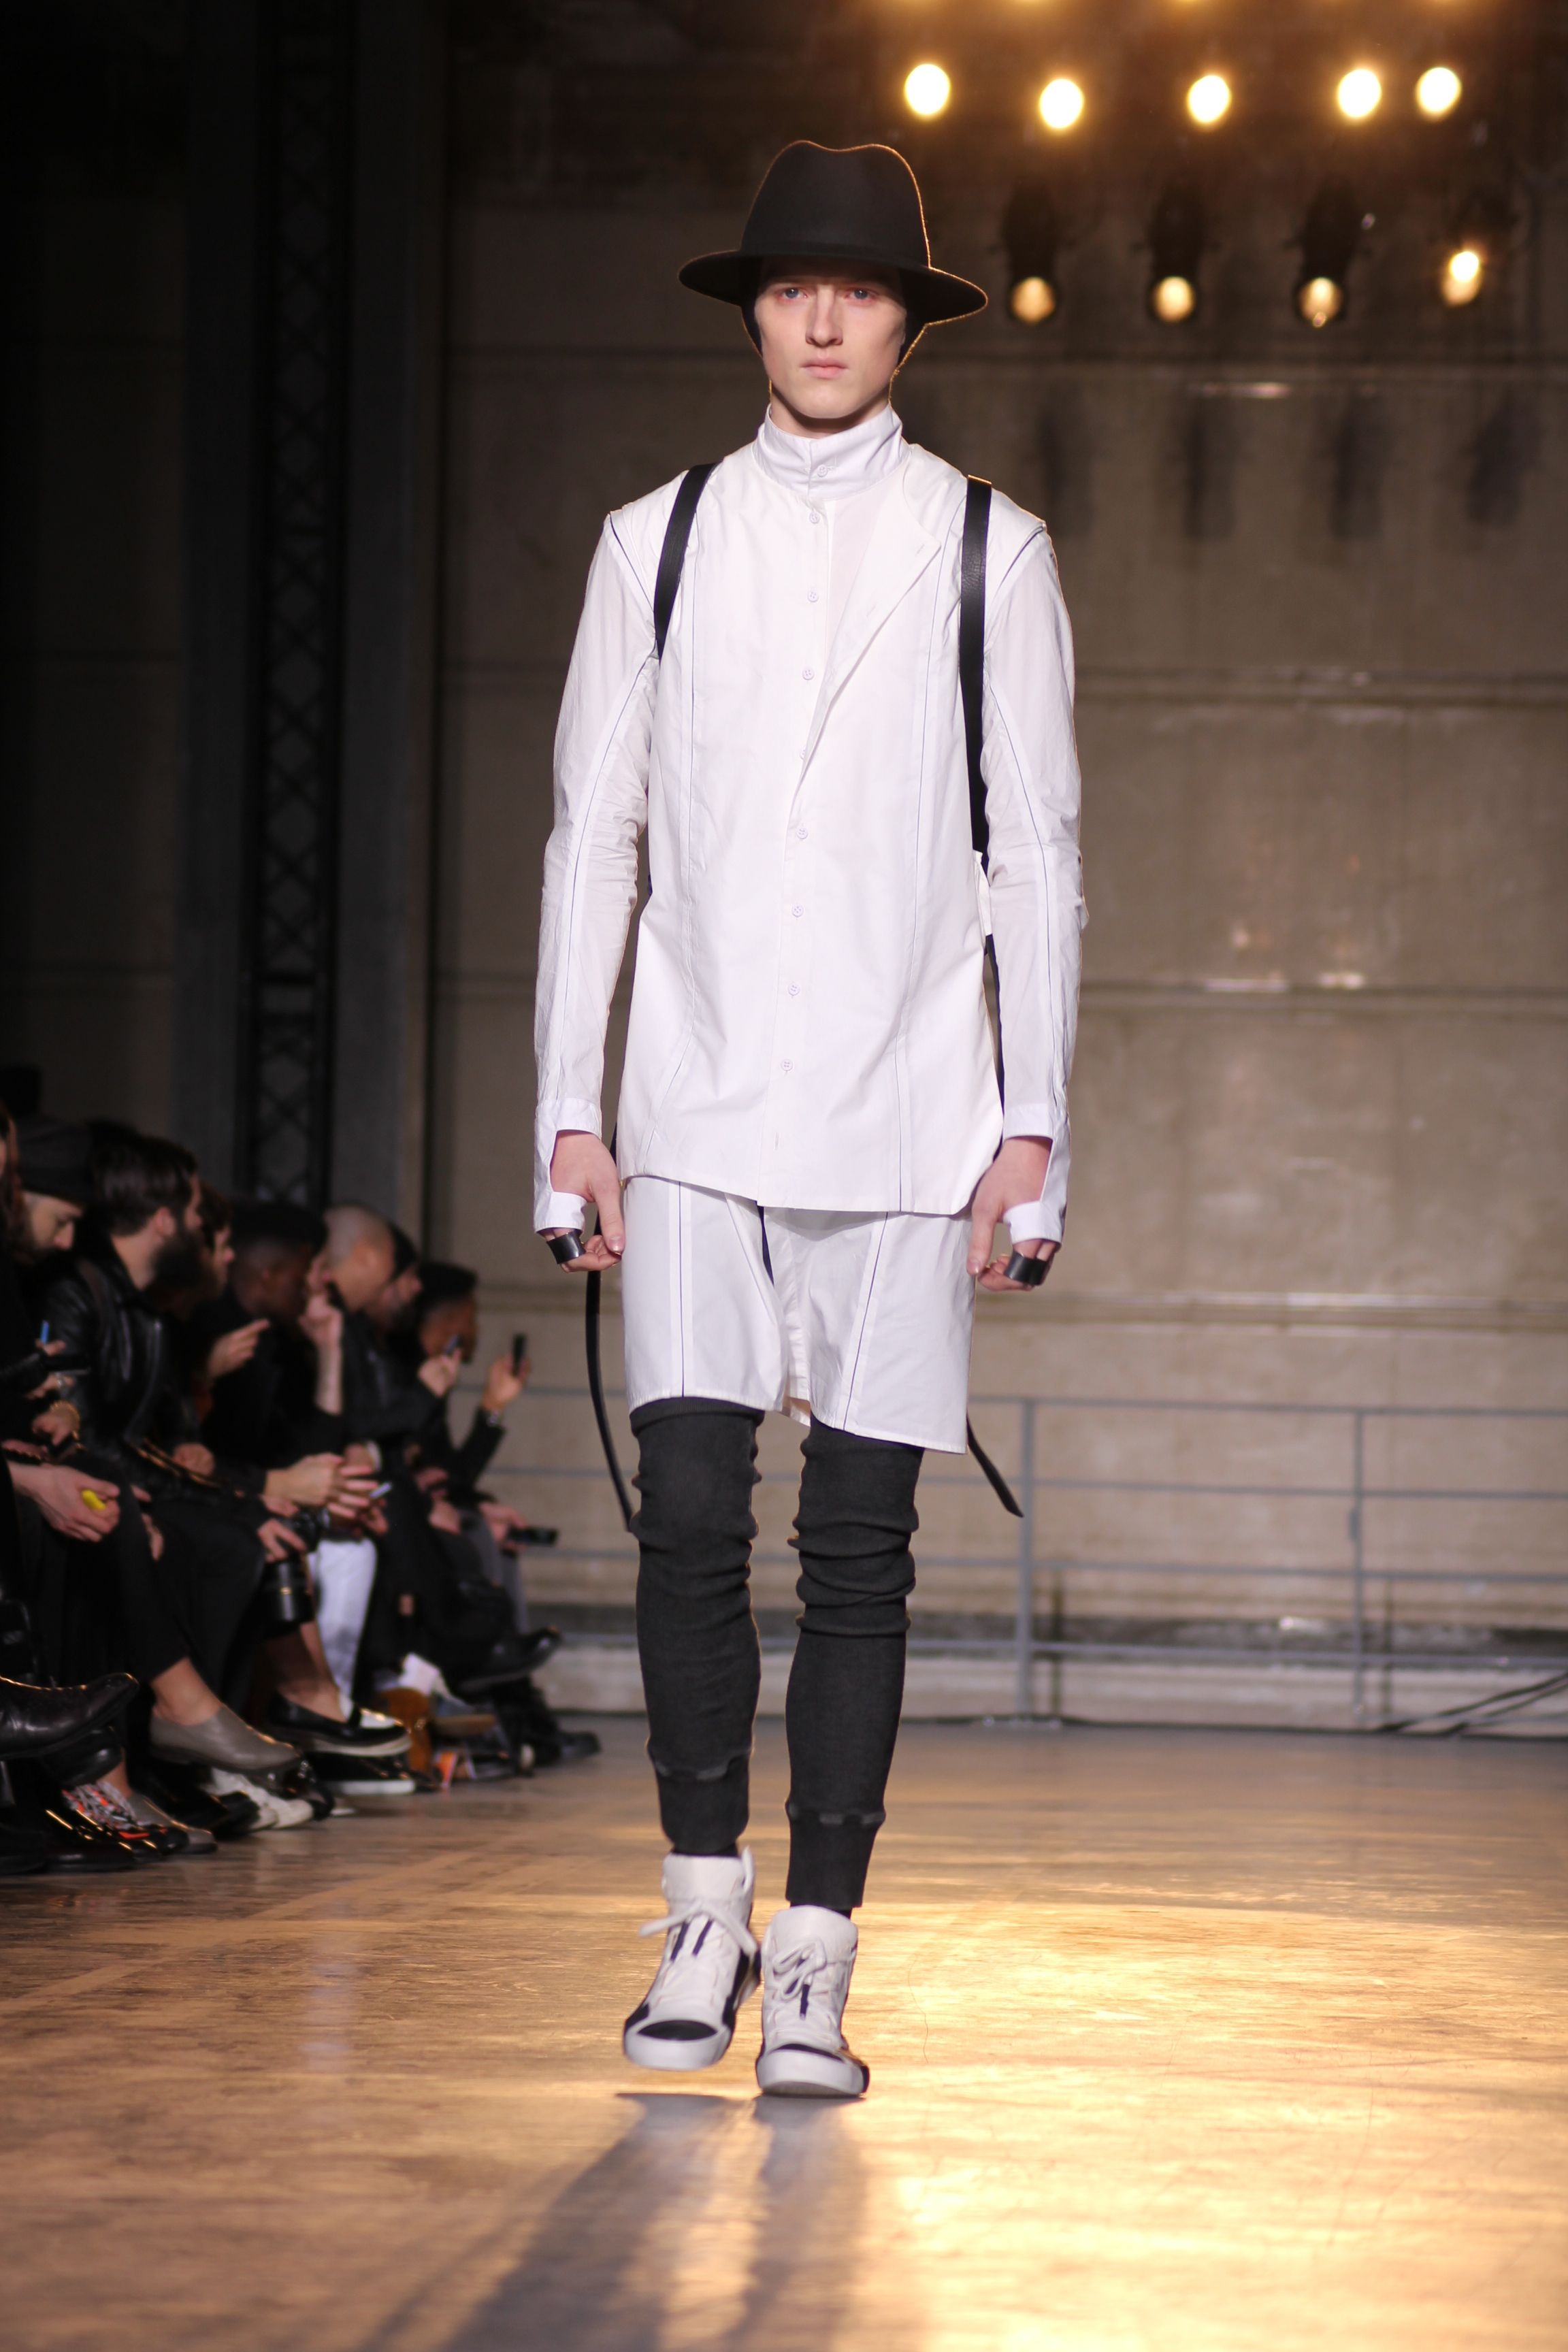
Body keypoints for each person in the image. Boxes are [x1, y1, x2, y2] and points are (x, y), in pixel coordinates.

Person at [536, 143, 1083, 2095]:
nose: (827, 318)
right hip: (690, 1102)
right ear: (754, 312)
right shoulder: (656, 542)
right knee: (689, 1521)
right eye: (794, 288)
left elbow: (1037, 850)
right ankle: (705, 1916)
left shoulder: (987, 547)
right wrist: (568, 1107)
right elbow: (591, 837)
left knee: (861, 1548)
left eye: (861, 291)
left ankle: (821, 1954)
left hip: (912, 1108)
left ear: (907, 323)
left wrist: (1035, 1122)